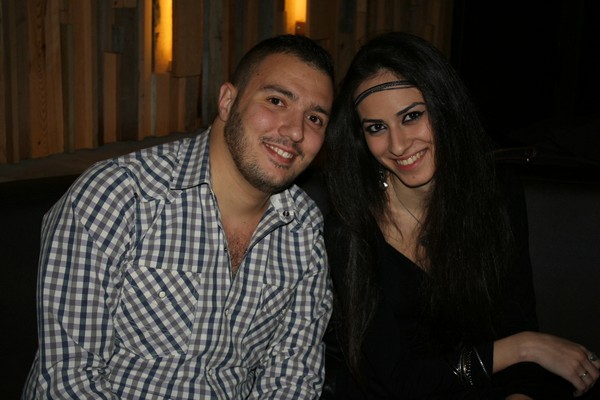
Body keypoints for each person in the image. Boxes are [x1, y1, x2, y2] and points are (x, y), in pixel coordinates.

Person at [22, 34, 334, 399]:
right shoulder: (119, 195)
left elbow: (292, 377)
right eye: (277, 101)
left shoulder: (303, 228)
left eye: (315, 118)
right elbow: (68, 380)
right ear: (227, 101)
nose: (295, 131)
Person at [323, 31, 599, 399]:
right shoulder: (350, 227)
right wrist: (524, 347)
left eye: (412, 116)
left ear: (444, 108)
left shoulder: (495, 194)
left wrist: (520, 392)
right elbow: (398, 380)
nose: (398, 145)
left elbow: (516, 320)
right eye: (377, 127)